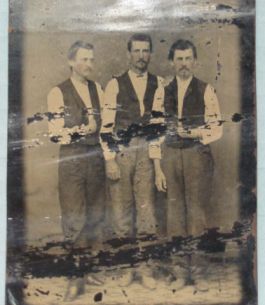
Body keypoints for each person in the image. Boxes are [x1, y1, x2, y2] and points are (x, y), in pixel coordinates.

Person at [151, 39, 223, 291]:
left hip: (196, 156)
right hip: (170, 156)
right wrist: (158, 166)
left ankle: (199, 273)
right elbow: (155, 132)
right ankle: (180, 271)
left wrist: (195, 133)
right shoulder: (163, 91)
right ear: (172, 62)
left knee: (196, 213)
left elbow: (217, 129)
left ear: (195, 61)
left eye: (187, 58)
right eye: (179, 59)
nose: (183, 64)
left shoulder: (206, 89)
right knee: (174, 216)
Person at [100, 33, 164, 289]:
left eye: (145, 51)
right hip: (121, 151)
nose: (141, 56)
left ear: (150, 53)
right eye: (136, 51)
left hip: (146, 152)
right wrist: (110, 159)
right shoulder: (114, 84)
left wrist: (155, 159)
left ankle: (145, 268)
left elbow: (158, 126)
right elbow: (106, 125)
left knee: (146, 210)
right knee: (121, 213)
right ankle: (126, 268)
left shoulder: (159, 83)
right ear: (129, 54)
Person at [47, 40, 106, 300]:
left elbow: (105, 129)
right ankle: (75, 276)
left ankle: (88, 269)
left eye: (92, 59)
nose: (89, 64)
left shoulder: (98, 89)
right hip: (71, 160)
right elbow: (55, 134)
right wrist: (83, 130)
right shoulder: (57, 93)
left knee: (94, 214)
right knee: (73, 216)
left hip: (94, 160)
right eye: (84, 59)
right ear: (71, 62)